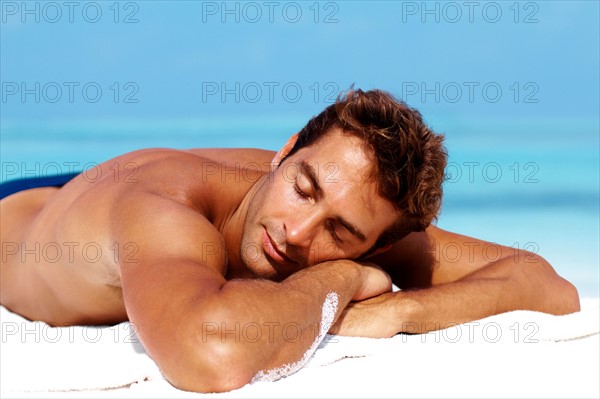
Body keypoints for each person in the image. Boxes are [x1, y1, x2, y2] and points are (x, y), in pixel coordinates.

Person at [0, 89, 580, 392]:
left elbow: (547, 284)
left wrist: (402, 310)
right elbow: (211, 356)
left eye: (340, 232)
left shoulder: (350, 203)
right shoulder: (164, 210)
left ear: (378, 242)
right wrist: (342, 279)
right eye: (303, 188)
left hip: (89, 191)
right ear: (286, 150)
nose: (297, 233)